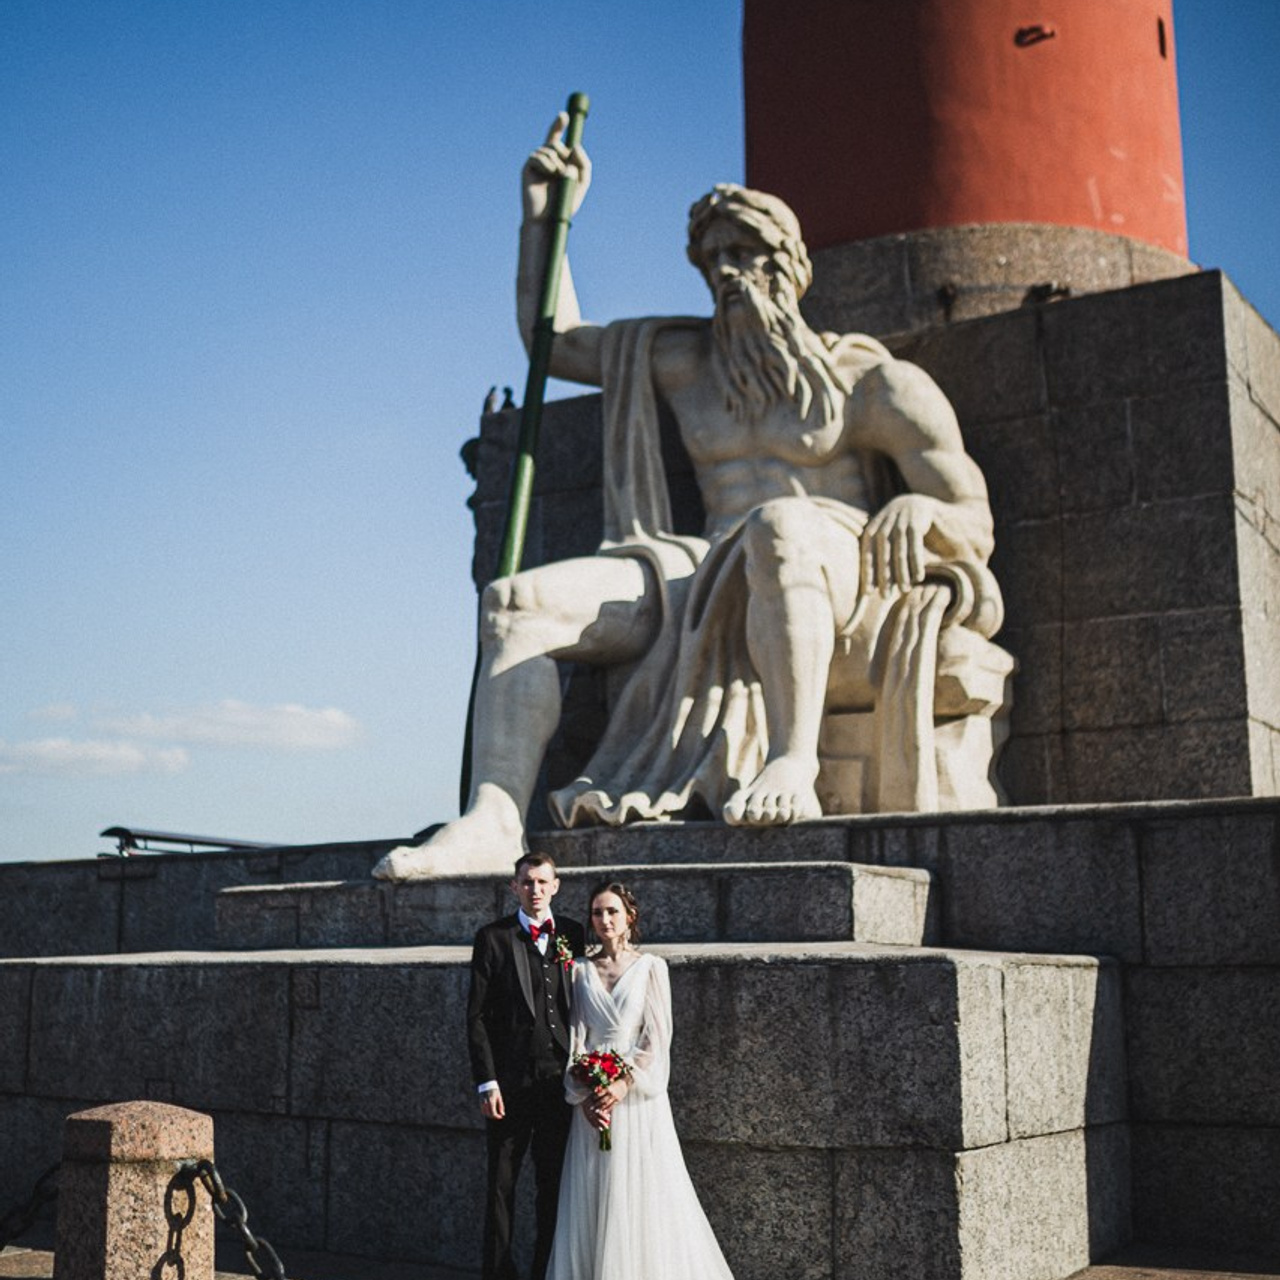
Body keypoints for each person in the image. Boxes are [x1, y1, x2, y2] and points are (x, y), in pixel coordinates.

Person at [373, 112, 1004, 881]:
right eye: (713, 259)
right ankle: (494, 820)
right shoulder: (681, 360)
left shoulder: (874, 384)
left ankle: (791, 761)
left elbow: (972, 516)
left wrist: (926, 512)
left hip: (835, 561)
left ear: (790, 266)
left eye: (746, 253)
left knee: (781, 528)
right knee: (515, 604)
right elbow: (556, 341)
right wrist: (542, 217)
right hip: (702, 567)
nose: (729, 272)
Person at [546, 881, 733, 1280]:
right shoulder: (579, 970)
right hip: (593, 1105)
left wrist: (621, 1083)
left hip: (636, 1099)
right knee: (594, 1196)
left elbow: (657, 1037)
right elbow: (577, 1037)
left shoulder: (651, 968)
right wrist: (585, 1092)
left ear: (630, 916)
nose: (605, 920)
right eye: (597, 913)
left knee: (641, 1196)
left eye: (612, 911)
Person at [467, 853, 588, 1280]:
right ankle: (497, 1273)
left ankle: (544, 1270)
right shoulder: (492, 938)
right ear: (514, 887)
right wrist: (487, 1082)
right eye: (527, 882)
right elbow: (477, 1017)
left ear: (555, 886)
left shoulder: (573, 933)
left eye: (542, 882)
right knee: (501, 1186)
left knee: (551, 1183)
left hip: (559, 1083)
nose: (535, 890)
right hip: (509, 1086)